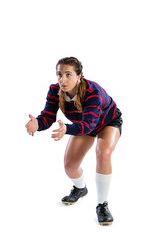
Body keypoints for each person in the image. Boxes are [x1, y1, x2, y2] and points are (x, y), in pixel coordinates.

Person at [25, 57, 123, 225]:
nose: (63, 79)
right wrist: (38, 123)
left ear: (79, 76)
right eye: (59, 74)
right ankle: (80, 188)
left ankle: (102, 205)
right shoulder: (55, 91)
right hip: (83, 124)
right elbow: (48, 117)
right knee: (70, 167)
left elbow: (89, 124)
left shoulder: (93, 92)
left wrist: (67, 129)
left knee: (103, 153)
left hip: (107, 122)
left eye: (68, 74)